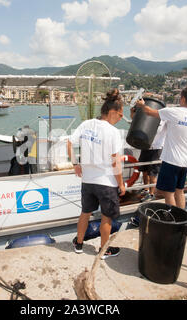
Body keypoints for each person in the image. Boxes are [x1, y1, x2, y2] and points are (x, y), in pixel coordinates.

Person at [67, 88, 125, 259]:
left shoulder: (86, 124)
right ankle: (103, 250)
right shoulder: (113, 132)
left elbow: (69, 143)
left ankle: (78, 244)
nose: (121, 119)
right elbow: (115, 162)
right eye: (120, 115)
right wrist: (121, 184)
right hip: (107, 183)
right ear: (113, 112)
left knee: (85, 213)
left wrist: (75, 164)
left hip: (88, 180)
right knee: (106, 218)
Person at [135, 87, 187, 209]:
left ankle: (174, 219)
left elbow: (150, 112)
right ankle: (182, 218)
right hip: (185, 162)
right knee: (179, 192)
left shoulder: (174, 112)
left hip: (171, 160)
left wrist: (142, 105)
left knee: (169, 194)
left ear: (182, 98)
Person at [130, 105, 166, 201]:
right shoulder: (149, 117)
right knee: (144, 171)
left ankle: (151, 194)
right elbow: (135, 120)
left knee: (152, 173)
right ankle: (146, 189)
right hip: (146, 146)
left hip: (156, 149)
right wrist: (132, 112)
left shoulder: (164, 120)